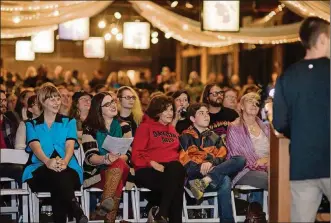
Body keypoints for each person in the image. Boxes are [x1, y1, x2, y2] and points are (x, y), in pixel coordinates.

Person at [273, 17, 330, 222]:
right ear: (323, 39)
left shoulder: (287, 77)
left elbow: (279, 123)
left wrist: (300, 134)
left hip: (301, 163)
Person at [22, 83, 87, 223]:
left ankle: (73, 207)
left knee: (59, 177)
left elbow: (70, 145)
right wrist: (48, 161)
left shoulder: (69, 121)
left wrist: (64, 161)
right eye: (52, 99)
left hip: (68, 168)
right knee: (57, 178)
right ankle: (74, 206)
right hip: (39, 169)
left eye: (58, 98)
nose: (57, 102)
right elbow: (35, 147)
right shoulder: (31, 124)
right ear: (42, 101)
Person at [179, 103, 245, 223]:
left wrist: (210, 163)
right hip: (194, 179)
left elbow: (223, 154)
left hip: (205, 182)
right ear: (192, 119)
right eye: (201, 113)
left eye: (207, 113)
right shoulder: (185, 137)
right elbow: (185, 163)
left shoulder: (215, 136)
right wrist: (206, 163)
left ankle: (207, 180)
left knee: (240, 159)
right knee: (225, 179)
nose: (206, 116)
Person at [132, 95, 185, 223]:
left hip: (170, 169)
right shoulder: (145, 127)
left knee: (176, 169)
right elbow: (136, 153)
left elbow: (177, 152)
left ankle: (161, 213)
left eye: (171, 110)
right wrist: (152, 163)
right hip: (148, 168)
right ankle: (164, 214)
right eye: (165, 110)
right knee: (176, 186)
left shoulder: (172, 129)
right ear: (157, 111)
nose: (170, 113)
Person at [82, 92, 131, 222]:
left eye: (113, 102)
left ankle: (102, 208)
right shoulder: (90, 128)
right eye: (107, 104)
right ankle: (108, 217)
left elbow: (129, 154)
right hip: (98, 173)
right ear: (99, 109)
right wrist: (105, 159)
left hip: (122, 168)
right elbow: (90, 156)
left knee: (119, 164)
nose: (113, 105)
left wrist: (118, 158)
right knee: (117, 175)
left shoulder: (124, 126)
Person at [227, 93, 269, 205]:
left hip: (268, 166)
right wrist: (263, 163)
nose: (254, 104)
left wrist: (269, 160)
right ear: (241, 106)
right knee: (273, 180)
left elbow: (276, 150)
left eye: (256, 103)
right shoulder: (234, 127)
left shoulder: (265, 127)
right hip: (245, 170)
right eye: (250, 101)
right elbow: (239, 157)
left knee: (286, 177)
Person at [0, 90, 23, 184]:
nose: (3, 103)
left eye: (4, 100)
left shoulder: (10, 122)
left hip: (10, 161)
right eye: (0, 100)